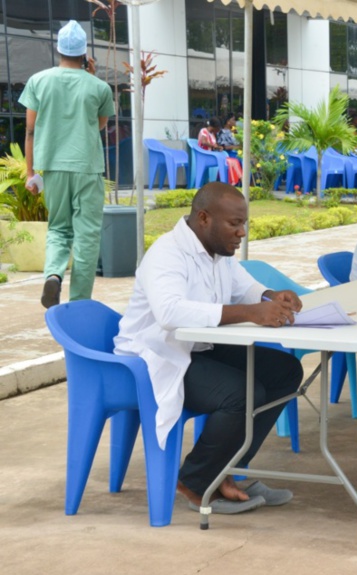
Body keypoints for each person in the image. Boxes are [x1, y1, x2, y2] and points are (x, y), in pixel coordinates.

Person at [114, 182, 303, 514]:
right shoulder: (167, 253)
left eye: (244, 224)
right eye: (234, 224)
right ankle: (197, 480)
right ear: (204, 218)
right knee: (241, 394)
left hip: (196, 347)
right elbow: (170, 312)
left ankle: (227, 471)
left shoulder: (218, 251)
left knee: (284, 371)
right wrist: (250, 313)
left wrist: (271, 296)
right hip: (157, 356)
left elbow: (243, 286)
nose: (242, 232)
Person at [20, 20, 114, 308]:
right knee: (86, 235)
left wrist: (31, 173)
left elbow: (30, 130)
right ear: (84, 53)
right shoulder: (100, 87)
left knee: (59, 229)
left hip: (54, 167)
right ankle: (80, 302)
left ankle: (53, 275)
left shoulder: (38, 81)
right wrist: (92, 77)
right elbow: (99, 125)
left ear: (58, 49)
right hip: (87, 167)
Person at [199, 117, 242, 186]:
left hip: (213, 155)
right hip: (206, 156)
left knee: (234, 161)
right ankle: (235, 182)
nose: (218, 131)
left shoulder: (212, 134)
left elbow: (215, 145)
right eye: (218, 129)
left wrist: (219, 147)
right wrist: (214, 146)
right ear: (215, 127)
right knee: (231, 161)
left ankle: (238, 181)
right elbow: (204, 142)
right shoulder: (204, 131)